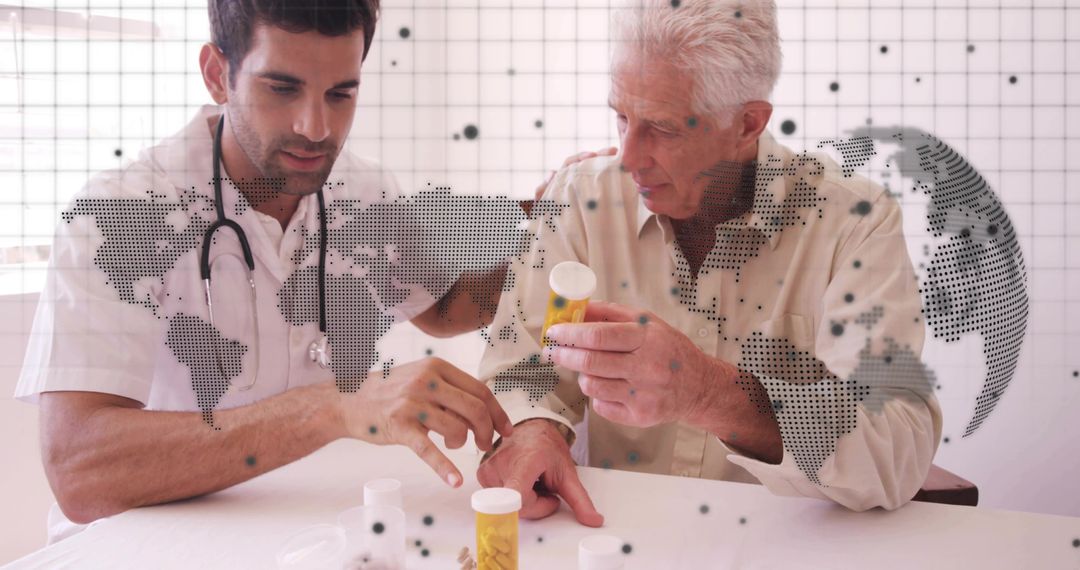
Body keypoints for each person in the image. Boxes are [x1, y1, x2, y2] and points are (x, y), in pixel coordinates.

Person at [15, 0, 516, 540]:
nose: (316, 128)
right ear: (217, 75)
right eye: (282, 88)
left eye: (341, 93)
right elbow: (81, 471)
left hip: (301, 535)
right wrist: (332, 407)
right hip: (145, 547)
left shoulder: (365, 194)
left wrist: (544, 233)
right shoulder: (122, 215)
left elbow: (442, 308)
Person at [476, 0, 942, 527]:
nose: (628, 157)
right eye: (622, 116)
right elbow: (521, 370)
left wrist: (714, 394)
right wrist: (536, 428)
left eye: (664, 128)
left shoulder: (854, 225)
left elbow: (897, 450)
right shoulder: (581, 200)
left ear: (747, 123)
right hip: (611, 538)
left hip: (784, 546)